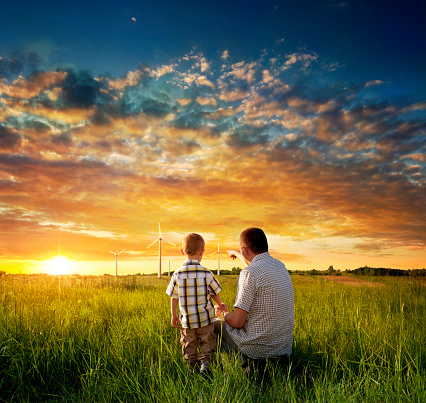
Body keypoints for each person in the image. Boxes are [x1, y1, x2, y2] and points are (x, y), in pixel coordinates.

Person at [214, 227, 294, 374]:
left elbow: (238, 322)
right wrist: (238, 253)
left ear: (245, 249)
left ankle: (244, 369)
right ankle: (273, 365)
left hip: (258, 349)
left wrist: (223, 314)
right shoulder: (280, 266)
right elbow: (256, 267)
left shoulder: (249, 273)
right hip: (284, 348)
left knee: (214, 325)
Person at [166, 233, 223, 377]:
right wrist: (220, 304)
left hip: (186, 321)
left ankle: (190, 369)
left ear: (182, 251)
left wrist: (174, 315)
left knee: (188, 344)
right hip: (205, 319)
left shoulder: (177, 274)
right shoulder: (206, 273)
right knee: (207, 342)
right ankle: (205, 365)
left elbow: (174, 297)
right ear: (202, 251)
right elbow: (214, 292)